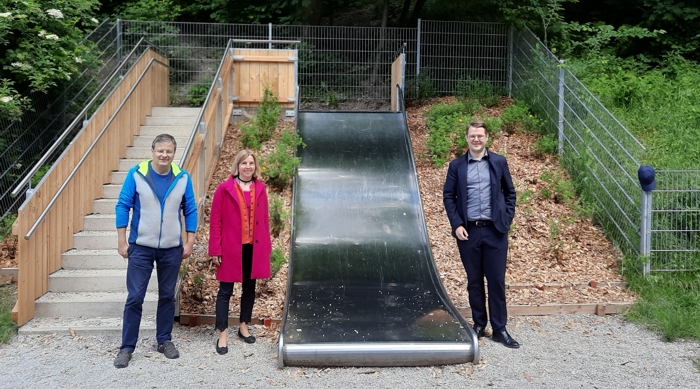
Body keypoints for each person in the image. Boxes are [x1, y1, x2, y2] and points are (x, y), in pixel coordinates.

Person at [113, 133, 198, 368]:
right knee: (135, 297)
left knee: (167, 296)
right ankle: (127, 347)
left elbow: (190, 209)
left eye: (169, 151)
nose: (164, 154)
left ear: (174, 153)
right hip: (140, 247)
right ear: (152, 151)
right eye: (160, 150)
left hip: (171, 249)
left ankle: (164, 340)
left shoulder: (182, 177)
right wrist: (122, 240)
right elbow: (122, 205)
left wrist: (189, 241)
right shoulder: (137, 174)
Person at [442, 121, 519, 349]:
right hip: (469, 232)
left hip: (495, 231)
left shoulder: (498, 162)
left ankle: (499, 328)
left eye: (480, 136)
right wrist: (456, 224)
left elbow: (510, 194)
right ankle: (478, 324)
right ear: (467, 138)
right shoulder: (457, 166)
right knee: (474, 281)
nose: (476, 139)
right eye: (472, 136)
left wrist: (506, 218)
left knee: (496, 280)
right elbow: (449, 197)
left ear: (487, 138)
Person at [209, 149, 271, 355]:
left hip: (253, 248)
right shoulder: (224, 189)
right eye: (244, 163)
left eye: (251, 163)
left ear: (255, 167)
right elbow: (215, 221)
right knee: (225, 291)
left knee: (249, 289)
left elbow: (265, 221)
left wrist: (266, 248)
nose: (247, 167)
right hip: (230, 247)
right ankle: (222, 333)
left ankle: (244, 325)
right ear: (237, 165)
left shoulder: (260, 189)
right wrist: (215, 248)